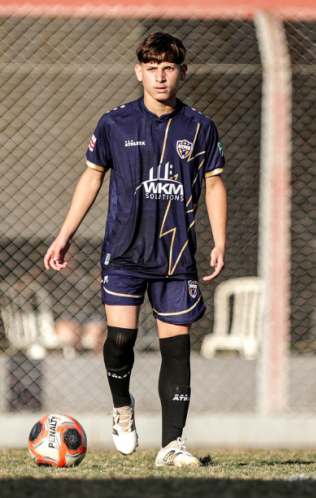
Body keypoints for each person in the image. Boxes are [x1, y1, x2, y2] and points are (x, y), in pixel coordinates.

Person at [44, 32, 228, 468]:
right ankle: (122, 409)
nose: (160, 76)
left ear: (182, 72)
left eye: (168, 68)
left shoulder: (199, 127)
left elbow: (215, 183)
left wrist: (221, 240)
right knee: (121, 341)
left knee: (177, 350)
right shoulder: (114, 123)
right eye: (151, 67)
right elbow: (92, 177)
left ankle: (171, 446)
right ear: (138, 71)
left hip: (175, 259)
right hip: (124, 254)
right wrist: (64, 233)